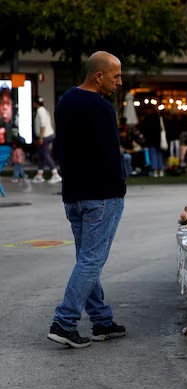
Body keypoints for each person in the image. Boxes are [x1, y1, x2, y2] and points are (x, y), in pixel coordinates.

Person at [46, 51, 127, 349]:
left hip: (74, 195)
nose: (119, 82)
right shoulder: (102, 107)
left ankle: (102, 321)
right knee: (92, 260)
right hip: (102, 195)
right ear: (99, 76)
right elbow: (110, 153)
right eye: (116, 76)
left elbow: (63, 148)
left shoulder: (66, 100)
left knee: (86, 259)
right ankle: (65, 322)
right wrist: (119, 187)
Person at [32, 96, 62, 183]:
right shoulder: (44, 110)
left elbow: (43, 124)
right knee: (42, 155)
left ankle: (55, 174)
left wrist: (41, 137)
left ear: (36, 103)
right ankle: (39, 175)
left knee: (45, 155)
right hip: (48, 135)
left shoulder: (40, 110)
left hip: (45, 136)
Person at [140, 106, 165, 177]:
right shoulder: (158, 118)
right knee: (159, 154)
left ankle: (155, 170)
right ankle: (160, 169)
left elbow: (144, 129)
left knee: (153, 154)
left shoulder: (147, 119)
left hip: (151, 139)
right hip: (158, 139)